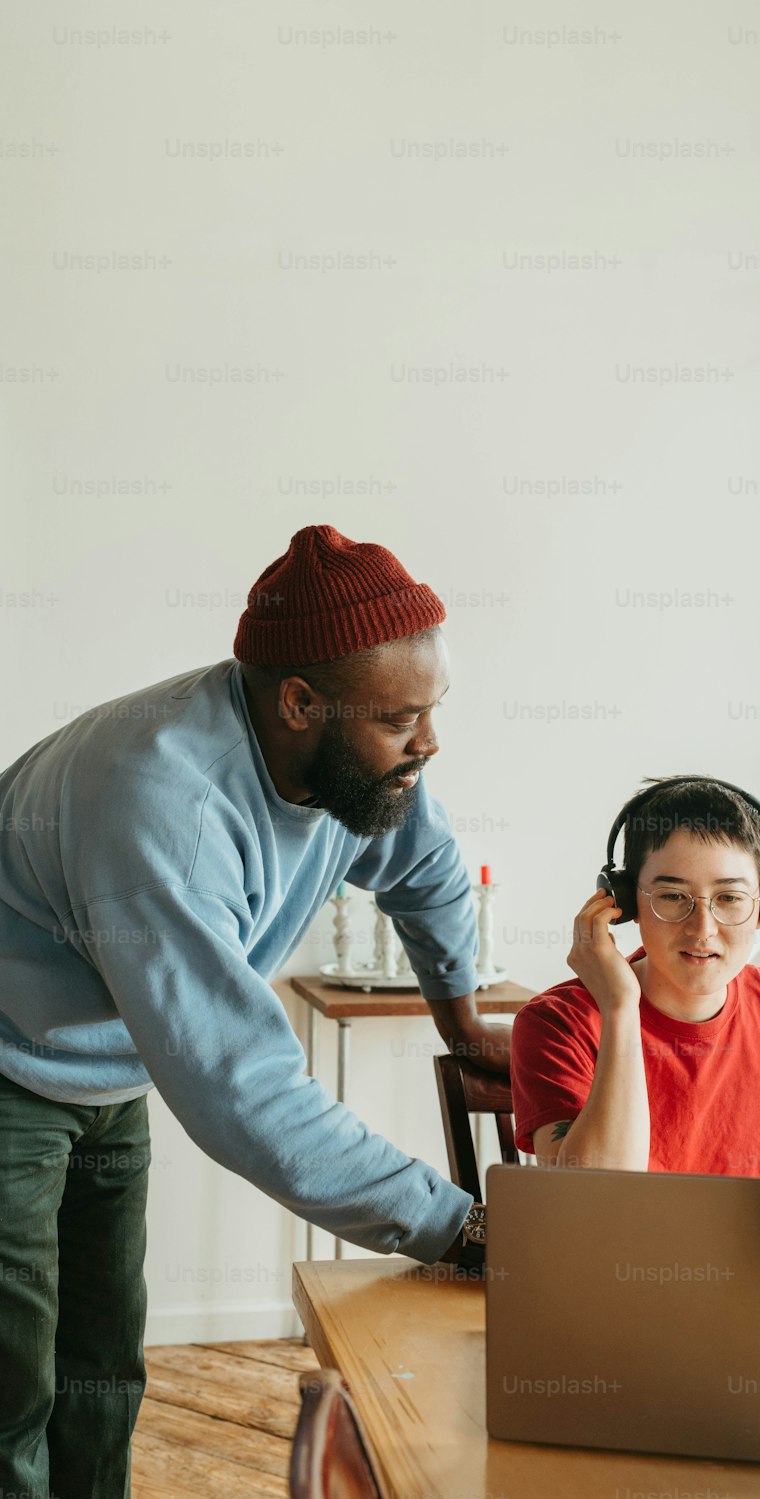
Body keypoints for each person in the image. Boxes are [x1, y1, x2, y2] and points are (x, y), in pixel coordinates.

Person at [0, 523, 499, 1499]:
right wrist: (458, 1226)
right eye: (400, 720)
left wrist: (462, 1021)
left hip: (106, 1061)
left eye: (431, 710)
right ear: (299, 701)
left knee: (103, 1360)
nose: (427, 742)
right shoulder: (163, 802)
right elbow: (245, 1091)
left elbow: (428, 868)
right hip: (8, 1058)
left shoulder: (353, 760)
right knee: (12, 1374)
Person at [510, 776, 760, 1175]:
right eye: (673, 897)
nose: (702, 929)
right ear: (623, 903)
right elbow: (593, 1203)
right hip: (623, 1239)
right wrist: (620, 1008)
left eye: (729, 898)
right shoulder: (557, 1023)